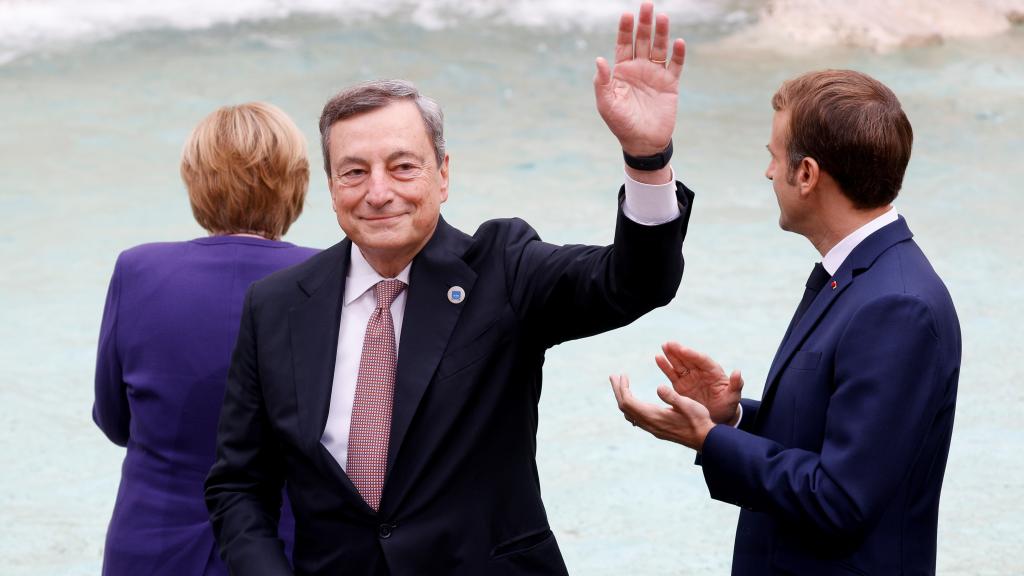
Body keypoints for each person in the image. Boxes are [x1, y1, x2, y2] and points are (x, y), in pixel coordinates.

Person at [204, 3, 695, 574]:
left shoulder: (503, 268)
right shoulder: (277, 305)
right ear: (332, 186)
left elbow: (635, 282)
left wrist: (646, 158)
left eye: (403, 167)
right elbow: (239, 484)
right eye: (355, 171)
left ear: (443, 174)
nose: (378, 192)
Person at [611, 69, 961, 575]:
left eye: (774, 157)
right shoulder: (862, 277)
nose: (769, 173)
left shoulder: (897, 306)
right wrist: (729, 419)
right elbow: (829, 436)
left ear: (807, 174)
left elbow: (840, 498)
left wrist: (708, 440)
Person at [93, 102, 316, 576]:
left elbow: (114, 420)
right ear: (297, 182)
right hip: (282, 548)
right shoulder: (330, 279)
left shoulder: (138, 269)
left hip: (150, 548)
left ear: (196, 181)